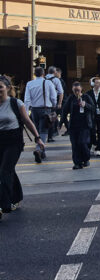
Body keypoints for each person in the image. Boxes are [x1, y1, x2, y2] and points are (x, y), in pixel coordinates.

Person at [0, 74, 45, 216]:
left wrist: (37, 137)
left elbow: (27, 121)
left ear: (7, 88)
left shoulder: (15, 103)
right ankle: (17, 196)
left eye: (0, 87)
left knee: (5, 170)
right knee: (8, 170)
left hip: (14, 141)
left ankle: (4, 204)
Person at [23, 66, 58, 161]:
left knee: (37, 130)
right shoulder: (48, 82)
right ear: (43, 73)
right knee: (43, 131)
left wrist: (26, 112)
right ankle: (39, 150)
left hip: (34, 110)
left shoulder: (29, 84)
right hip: (45, 109)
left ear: (34, 74)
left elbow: (27, 99)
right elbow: (54, 97)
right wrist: (54, 105)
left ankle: (43, 152)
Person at [45, 67, 63, 142]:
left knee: (44, 119)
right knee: (51, 119)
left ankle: (42, 134)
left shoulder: (43, 79)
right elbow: (61, 92)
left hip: (44, 102)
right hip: (52, 103)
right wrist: (59, 103)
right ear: (54, 72)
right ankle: (50, 136)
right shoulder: (56, 80)